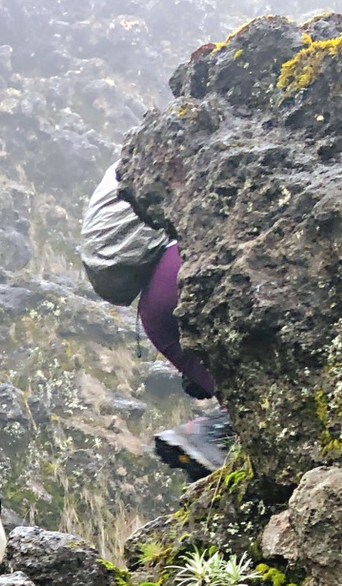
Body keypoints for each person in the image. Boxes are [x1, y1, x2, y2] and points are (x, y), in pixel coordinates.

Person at [80, 162, 232, 480]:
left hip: (153, 314)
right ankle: (215, 433)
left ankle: (205, 442)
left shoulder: (130, 164)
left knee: (240, 397)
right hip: (182, 266)